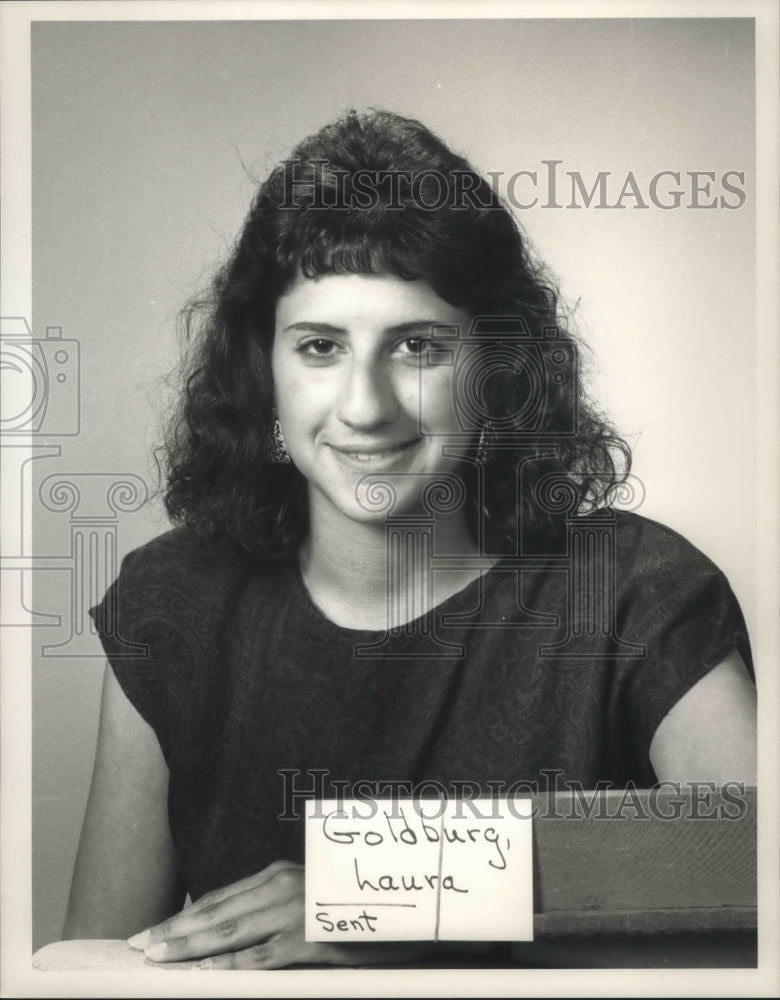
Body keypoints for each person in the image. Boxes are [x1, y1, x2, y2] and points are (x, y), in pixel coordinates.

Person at [62, 109, 757, 969]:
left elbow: (756, 856)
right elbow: (88, 972)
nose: (364, 405)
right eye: (319, 347)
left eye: (418, 347)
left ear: (495, 367)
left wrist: (376, 890)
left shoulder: (632, 588)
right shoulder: (174, 604)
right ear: (262, 371)